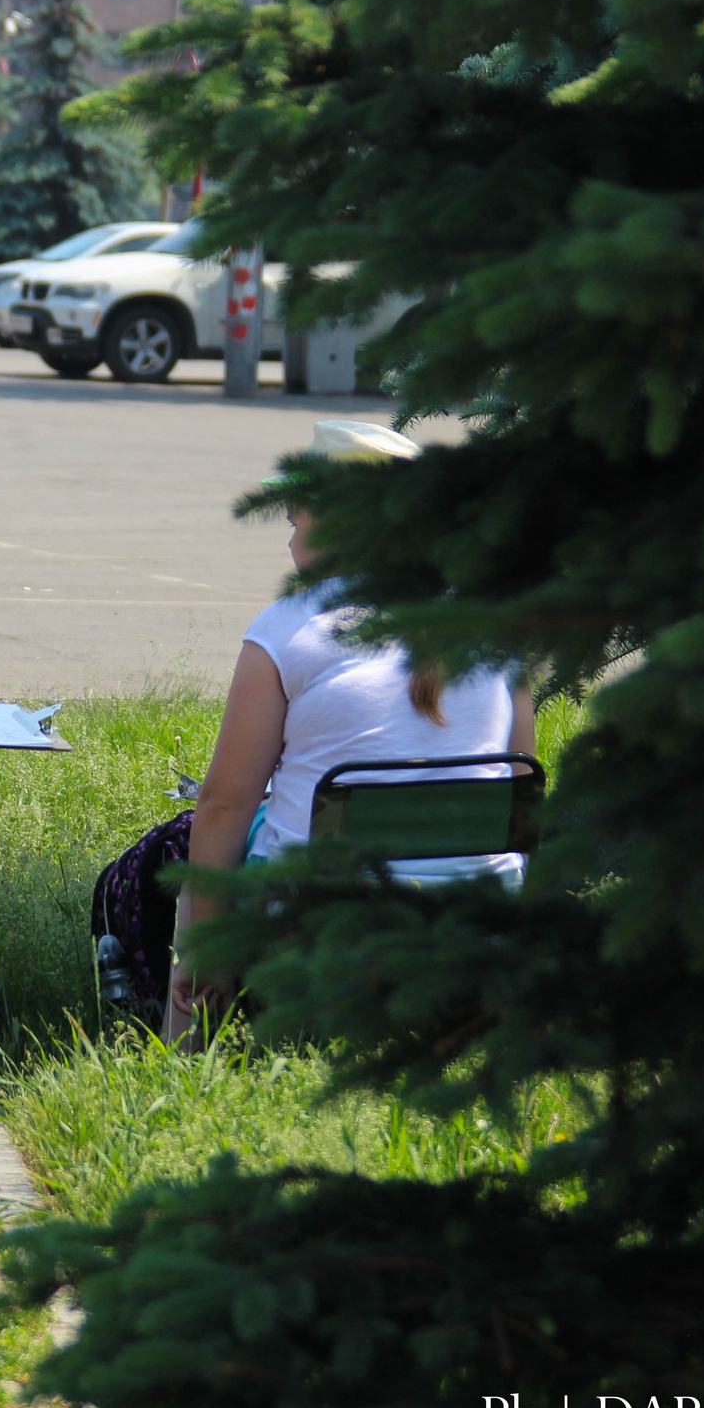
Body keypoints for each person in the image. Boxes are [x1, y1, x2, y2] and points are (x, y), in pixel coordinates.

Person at [164, 418, 533, 1039]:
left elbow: (224, 803)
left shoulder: (287, 630)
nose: (288, 537)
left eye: (297, 517)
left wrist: (210, 943)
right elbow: (516, 779)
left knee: (194, 871)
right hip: (479, 913)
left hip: (319, 916)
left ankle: (188, 1071)